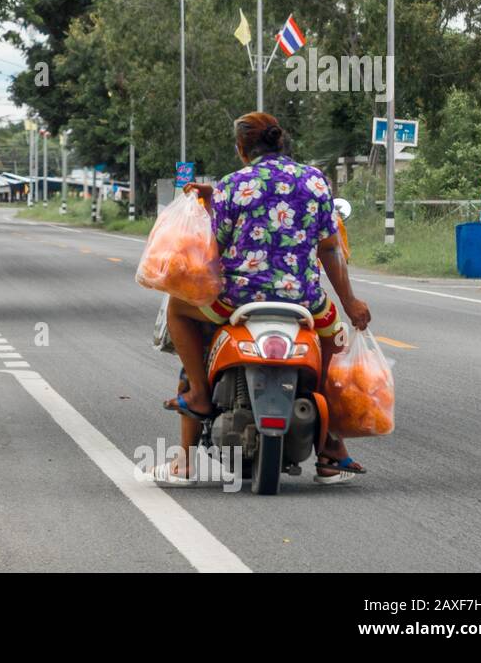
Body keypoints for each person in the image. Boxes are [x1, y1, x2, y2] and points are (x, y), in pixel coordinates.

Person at [151, 111, 371, 485]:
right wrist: (351, 303)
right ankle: (332, 453)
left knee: (179, 308)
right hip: (305, 301)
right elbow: (330, 249)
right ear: (280, 141)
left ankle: (197, 412)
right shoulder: (315, 181)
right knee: (332, 354)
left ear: (242, 148)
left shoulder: (232, 185)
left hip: (237, 301)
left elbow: (212, 247)